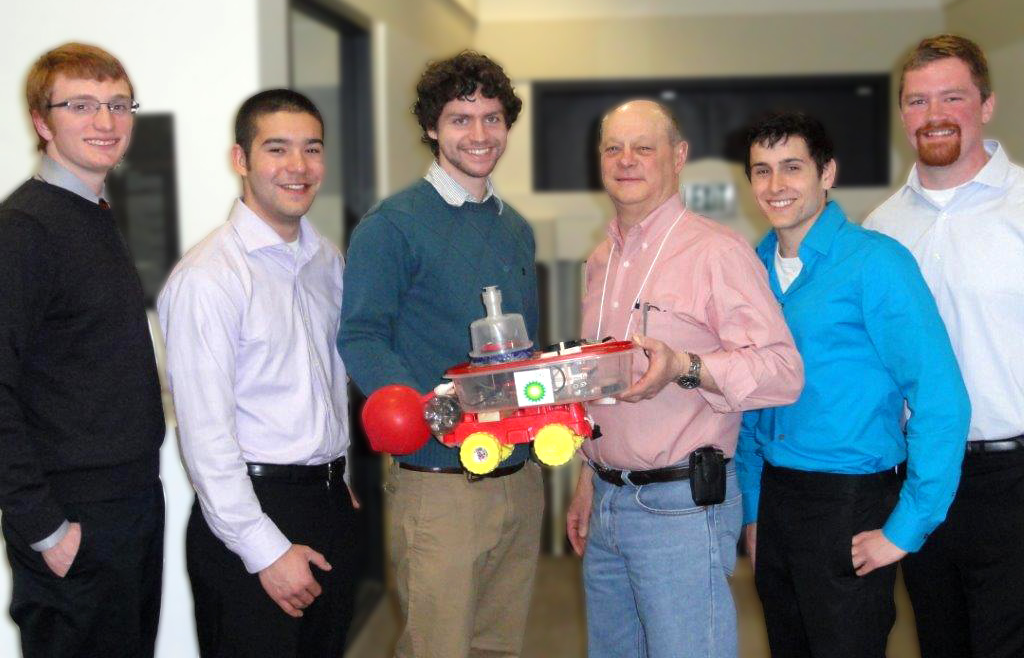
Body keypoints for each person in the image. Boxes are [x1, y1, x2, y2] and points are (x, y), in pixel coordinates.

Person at [565, 99, 803, 658]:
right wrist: (585, 477)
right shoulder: (600, 260)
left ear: (678, 157)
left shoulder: (716, 252)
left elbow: (783, 372)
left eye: (644, 148)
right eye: (613, 148)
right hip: (606, 502)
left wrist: (686, 367)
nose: (627, 160)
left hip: (681, 509)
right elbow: (601, 388)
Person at [736, 111, 970, 658]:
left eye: (792, 167)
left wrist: (906, 527)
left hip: (849, 504)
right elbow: (749, 401)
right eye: (762, 170)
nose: (776, 186)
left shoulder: (876, 264)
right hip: (776, 500)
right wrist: (752, 510)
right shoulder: (751, 270)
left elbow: (941, 398)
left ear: (827, 173)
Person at [338, 50, 542, 658]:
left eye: (492, 117)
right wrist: (424, 409)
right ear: (431, 127)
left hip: (520, 475)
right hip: (442, 484)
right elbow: (362, 334)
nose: (479, 135)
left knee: (497, 648)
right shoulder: (392, 226)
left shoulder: (514, 227)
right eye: (460, 119)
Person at [157, 89, 354, 657]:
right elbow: (205, 437)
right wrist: (264, 550)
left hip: (326, 503)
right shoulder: (208, 279)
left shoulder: (326, 261)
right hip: (251, 514)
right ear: (240, 160)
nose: (298, 167)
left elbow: (326, 380)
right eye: (277, 149)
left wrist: (340, 483)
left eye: (312, 149)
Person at [0, 43, 165, 657]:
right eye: (82, 105)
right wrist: (43, 527)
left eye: (119, 105)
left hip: (129, 501)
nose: (105, 122)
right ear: (42, 122)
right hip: (73, 515)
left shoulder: (92, 213)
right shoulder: (24, 229)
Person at [864, 34, 1024, 658]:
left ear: (986, 105)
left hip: (1012, 477)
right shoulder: (882, 229)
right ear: (903, 114)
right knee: (940, 641)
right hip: (920, 474)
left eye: (952, 97)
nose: (934, 114)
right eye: (917, 100)